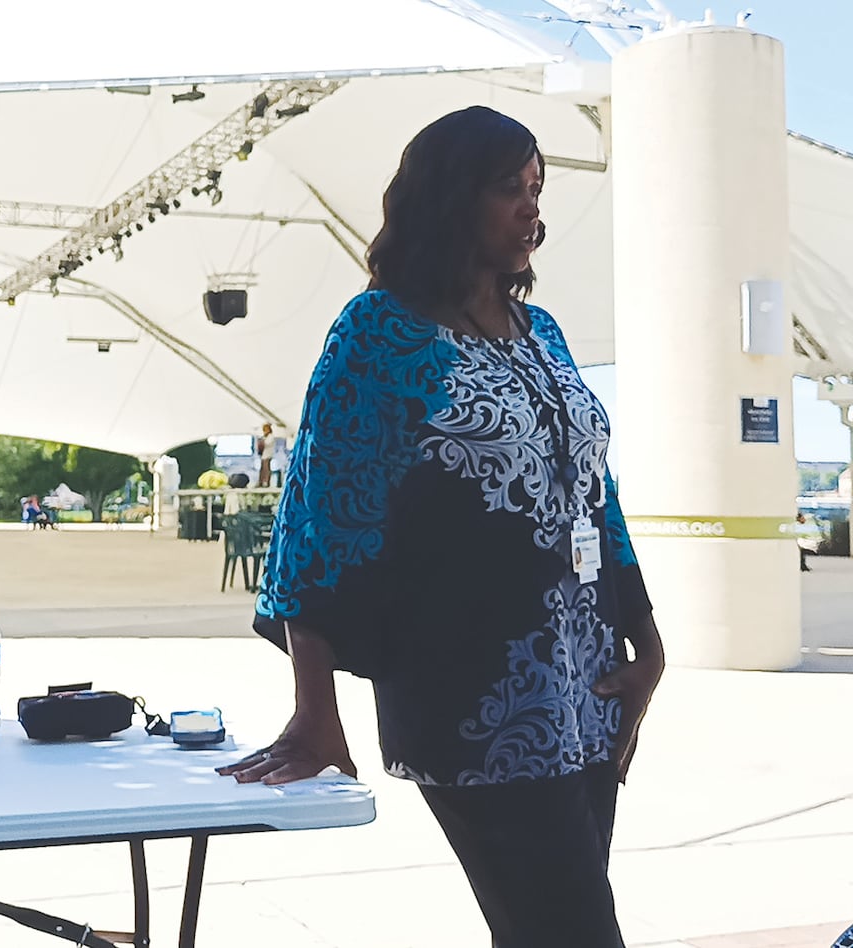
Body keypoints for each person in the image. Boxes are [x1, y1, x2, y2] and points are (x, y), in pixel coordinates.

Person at [217, 106, 664, 948]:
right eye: (508, 190)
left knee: (543, 930)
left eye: (538, 189)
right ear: (449, 198)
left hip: (589, 696)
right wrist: (316, 709)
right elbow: (317, 520)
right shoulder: (382, 333)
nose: (533, 210)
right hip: (478, 707)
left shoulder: (546, 333)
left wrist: (648, 645)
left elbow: (594, 494)